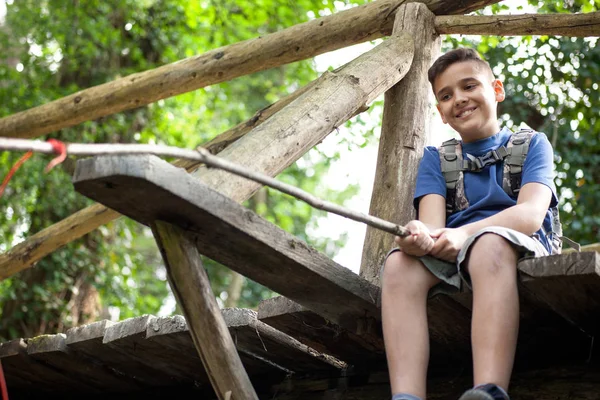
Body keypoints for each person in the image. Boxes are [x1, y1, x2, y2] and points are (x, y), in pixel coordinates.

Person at [381, 48, 558, 400]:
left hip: (520, 247)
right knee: (399, 265)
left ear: (496, 90)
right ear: (441, 113)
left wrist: (464, 234)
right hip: (457, 254)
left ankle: (488, 391)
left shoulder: (533, 144)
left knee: (488, 243)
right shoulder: (436, 159)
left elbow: (529, 215)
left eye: (469, 86)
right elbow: (432, 229)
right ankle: (406, 395)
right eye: (446, 96)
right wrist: (420, 239)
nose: (458, 99)